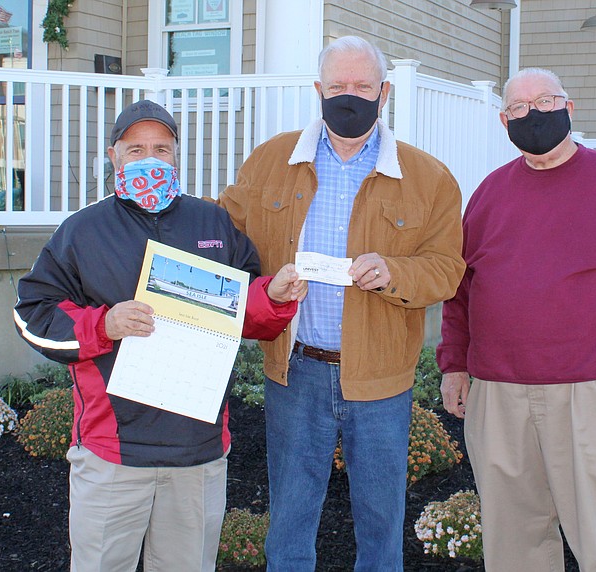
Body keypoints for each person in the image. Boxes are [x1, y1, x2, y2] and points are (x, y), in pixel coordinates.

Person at [13, 100, 306, 572]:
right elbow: (33, 312)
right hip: (112, 453)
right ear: (114, 156)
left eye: (161, 149)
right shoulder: (82, 231)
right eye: (136, 150)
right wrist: (102, 326)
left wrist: (273, 295)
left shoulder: (213, 224)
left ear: (176, 156)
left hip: (198, 451)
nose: (149, 158)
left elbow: (245, 311)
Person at [213, 36, 465, 571]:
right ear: (318, 90)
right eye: (337, 87)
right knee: (290, 521)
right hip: (295, 370)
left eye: (362, 86)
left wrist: (396, 271)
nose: (349, 96)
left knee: (380, 524)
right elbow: (222, 234)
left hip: (380, 377)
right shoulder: (270, 162)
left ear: (384, 92)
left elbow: (447, 268)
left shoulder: (429, 178)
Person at [437, 68, 596, 572]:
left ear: (569, 108)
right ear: (504, 121)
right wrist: (453, 365)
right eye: (521, 108)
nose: (535, 114)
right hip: (497, 394)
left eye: (546, 101)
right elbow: (460, 293)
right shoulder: (489, 194)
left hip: (587, 390)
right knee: (514, 543)